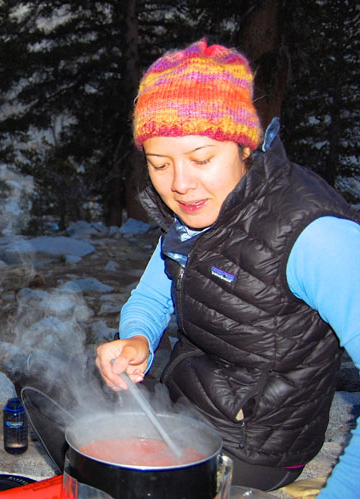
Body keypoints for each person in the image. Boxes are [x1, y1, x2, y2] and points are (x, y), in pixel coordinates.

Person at [95, 39, 360, 496]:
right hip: (188, 413)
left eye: (201, 159)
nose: (180, 185)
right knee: (62, 397)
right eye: (160, 164)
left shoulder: (316, 236)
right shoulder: (195, 215)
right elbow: (154, 294)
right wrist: (138, 337)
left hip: (256, 448)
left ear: (245, 147)